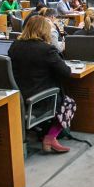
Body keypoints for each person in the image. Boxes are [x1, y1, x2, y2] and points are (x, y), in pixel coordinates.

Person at [8, 16, 74, 153]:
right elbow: (66, 72)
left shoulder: (14, 46)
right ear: (44, 31)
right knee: (69, 103)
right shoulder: (46, 49)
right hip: (40, 99)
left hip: (18, 96)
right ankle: (50, 138)